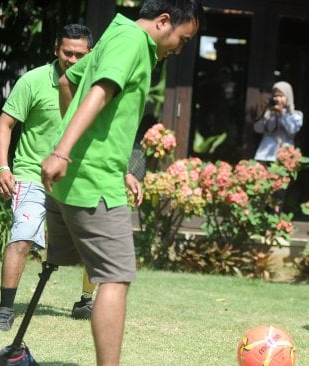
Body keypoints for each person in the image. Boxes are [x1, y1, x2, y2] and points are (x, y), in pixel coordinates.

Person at [41, 1, 202, 364]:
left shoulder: (116, 32)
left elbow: (69, 80)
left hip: (84, 178)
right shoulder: (131, 43)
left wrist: (75, 145)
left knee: (87, 267)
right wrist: (64, 151)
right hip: (94, 183)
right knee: (116, 276)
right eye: (183, 38)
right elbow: (98, 91)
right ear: (163, 21)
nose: (180, 48)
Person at [0, 24, 96, 332]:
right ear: (56, 50)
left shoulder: (97, 88)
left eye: (79, 54)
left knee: (94, 241)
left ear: (90, 54)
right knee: (22, 237)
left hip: (77, 178)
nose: (72, 60)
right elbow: (4, 125)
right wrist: (2, 167)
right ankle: (5, 309)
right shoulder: (33, 81)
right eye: (67, 53)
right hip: (32, 174)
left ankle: (86, 300)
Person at [253, 81, 303, 163]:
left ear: (288, 97)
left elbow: (292, 129)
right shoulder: (269, 113)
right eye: (275, 96)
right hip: (265, 156)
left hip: (284, 157)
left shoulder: (296, 114)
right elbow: (258, 129)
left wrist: (281, 113)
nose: (278, 99)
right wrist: (265, 112)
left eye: (281, 96)